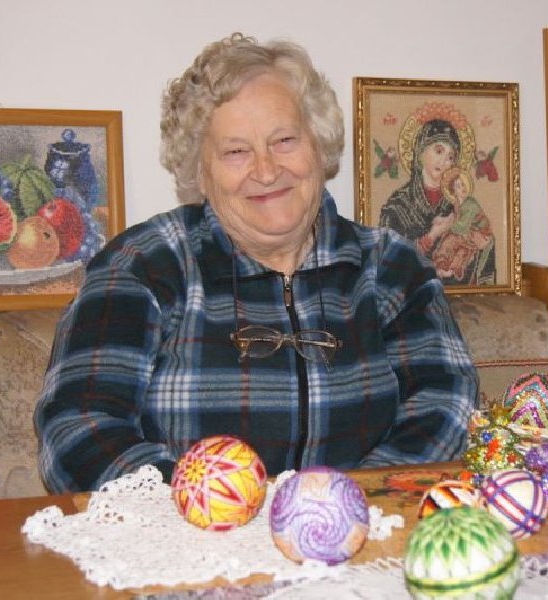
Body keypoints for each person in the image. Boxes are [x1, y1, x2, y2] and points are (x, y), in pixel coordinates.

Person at [34, 33, 478, 493]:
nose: (266, 171)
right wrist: (208, 500)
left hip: (361, 526)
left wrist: (350, 498)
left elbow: (447, 403)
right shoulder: (142, 265)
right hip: (191, 530)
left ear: (319, 146)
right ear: (200, 170)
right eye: (236, 151)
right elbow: (76, 431)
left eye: (284, 140)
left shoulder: (391, 268)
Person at [379, 116, 461, 259]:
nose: (443, 161)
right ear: (421, 152)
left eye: (450, 157)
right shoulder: (398, 206)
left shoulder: (456, 204)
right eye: (439, 151)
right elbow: (387, 258)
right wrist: (432, 236)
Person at [431, 167, 496, 285]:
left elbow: (462, 227)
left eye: (463, 184)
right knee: (449, 239)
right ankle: (442, 264)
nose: (463, 188)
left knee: (459, 244)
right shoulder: (457, 203)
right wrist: (442, 220)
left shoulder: (471, 204)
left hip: (481, 234)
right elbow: (454, 217)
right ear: (453, 191)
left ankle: (452, 269)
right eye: (458, 186)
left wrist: (445, 227)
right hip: (467, 232)